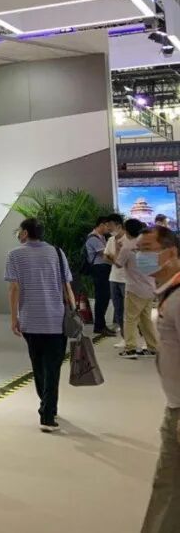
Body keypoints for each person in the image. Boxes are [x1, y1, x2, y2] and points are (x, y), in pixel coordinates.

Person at [4, 217, 75, 433]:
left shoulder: (14, 255)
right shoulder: (57, 252)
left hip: (30, 319)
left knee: (38, 366)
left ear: (25, 233)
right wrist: (74, 312)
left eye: (20, 230)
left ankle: (47, 407)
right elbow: (66, 285)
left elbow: (14, 288)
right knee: (53, 367)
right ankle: (48, 412)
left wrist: (14, 318)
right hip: (56, 318)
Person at [140, 225, 180, 533]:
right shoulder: (168, 294)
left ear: (171, 253)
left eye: (148, 249)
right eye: (139, 250)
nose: (141, 256)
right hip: (174, 405)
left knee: (168, 488)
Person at [120, 222, 162, 360]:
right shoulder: (151, 247)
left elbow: (118, 264)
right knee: (145, 319)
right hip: (150, 288)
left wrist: (112, 253)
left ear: (127, 231)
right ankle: (153, 347)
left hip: (134, 289)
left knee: (130, 319)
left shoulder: (127, 247)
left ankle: (130, 348)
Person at [108, 218, 144, 344]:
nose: (109, 228)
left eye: (111, 225)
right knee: (119, 310)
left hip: (129, 282)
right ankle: (127, 339)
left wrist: (117, 252)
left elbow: (118, 263)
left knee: (131, 314)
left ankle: (134, 342)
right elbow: (107, 257)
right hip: (115, 278)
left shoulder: (131, 245)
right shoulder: (111, 240)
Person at [86, 215, 118, 336]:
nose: (108, 228)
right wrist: (118, 261)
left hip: (104, 269)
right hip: (99, 270)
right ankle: (99, 326)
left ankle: (101, 325)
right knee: (101, 298)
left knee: (104, 297)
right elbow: (105, 254)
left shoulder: (102, 237)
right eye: (107, 226)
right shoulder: (93, 238)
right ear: (101, 225)